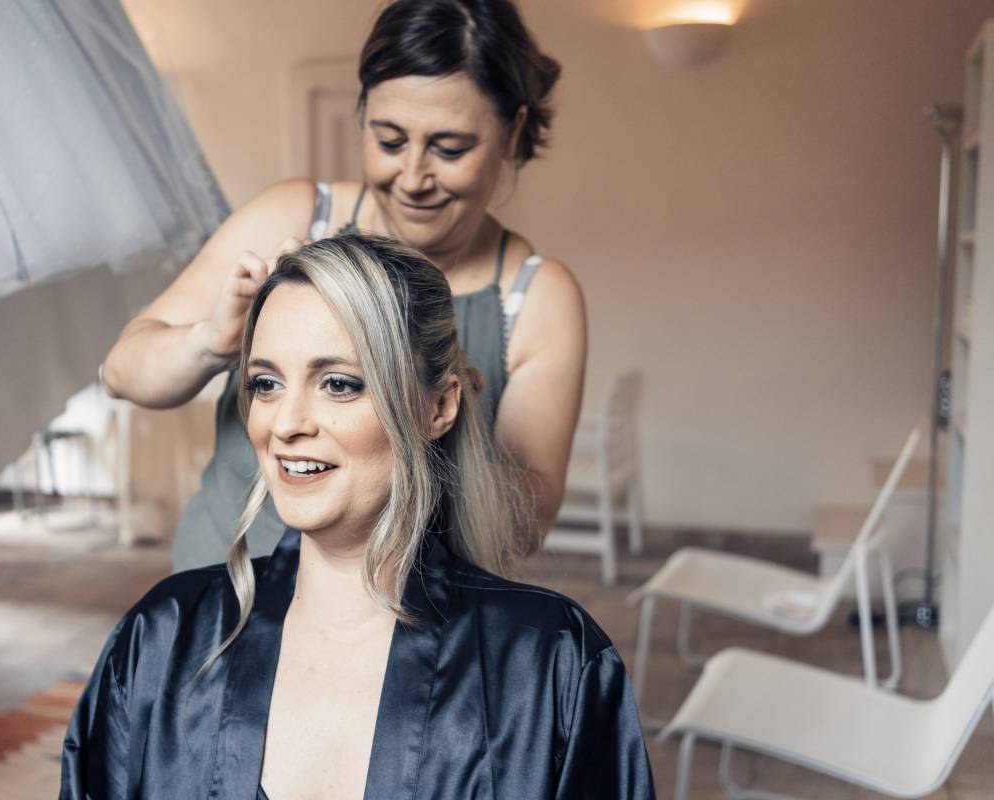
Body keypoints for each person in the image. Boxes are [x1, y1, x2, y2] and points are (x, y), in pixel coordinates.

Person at [62, 235, 653, 800]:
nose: (285, 423)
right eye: (265, 383)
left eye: (339, 384)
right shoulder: (162, 637)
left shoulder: (550, 662)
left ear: (438, 406)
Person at [100, 0, 587, 571]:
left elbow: (527, 524)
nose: (413, 178)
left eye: (450, 148)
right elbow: (121, 371)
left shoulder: (539, 297)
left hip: (409, 610)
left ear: (512, 133)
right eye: (389, 141)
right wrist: (211, 342)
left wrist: (422, 410)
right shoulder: (293, 214)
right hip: (225, 584)